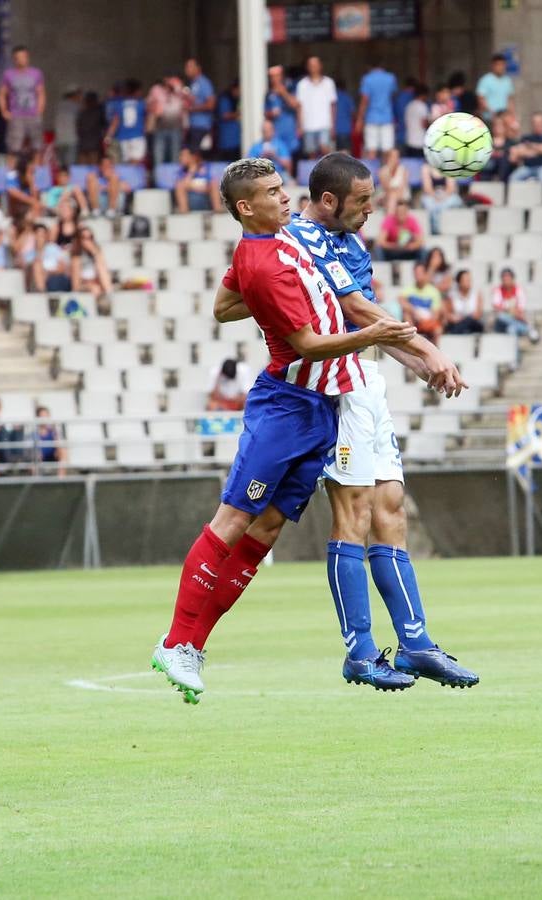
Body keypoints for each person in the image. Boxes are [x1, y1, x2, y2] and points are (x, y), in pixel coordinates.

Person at [150, 156, 425, 703]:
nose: (284, 198)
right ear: (245, 208)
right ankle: (179, 641)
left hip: (319, 409)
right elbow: (307, 346)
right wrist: (381, 332)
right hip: (285, 408)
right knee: (233, 520)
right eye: (272, 194)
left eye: (282, 188)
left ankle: (194, 644)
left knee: (267, 531)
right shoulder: (264, 263)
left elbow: (224, 305)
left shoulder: (282, 240)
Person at [212, 152, 474, 690]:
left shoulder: (350, 242)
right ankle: (359, 649)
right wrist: (428, 350)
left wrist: (421, 363)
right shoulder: (298, 238)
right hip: (333, 386)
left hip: (368, 378)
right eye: (361, 203)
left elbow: (369, 319)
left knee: (391, 510)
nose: (370, 212)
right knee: (353, 511)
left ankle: (416, 643)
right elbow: (354, 311)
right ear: (328, 200)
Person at [0, 46, 45, 158]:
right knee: (14, 147)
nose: (21, 60)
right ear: (14, 59)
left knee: (37, 146)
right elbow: (2, 94)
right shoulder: (8, 74)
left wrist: (39, 110)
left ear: (27, 57)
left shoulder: (36, 73)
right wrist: (4, 111)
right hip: (16, 115)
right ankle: (12, 173)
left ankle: (37, 172)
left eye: (24, 57)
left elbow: (41, 93)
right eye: (18, 57)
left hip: (33, 114)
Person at [296, 55, 338, 158]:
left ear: (320, 66)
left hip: (325, 124)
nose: (313, 67)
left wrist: (333, 126)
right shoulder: (302, 84)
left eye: (315, 65)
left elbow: (332, 105)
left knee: (326, 151)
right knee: (311, 153)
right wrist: (300, 126)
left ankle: (327, 173)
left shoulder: (329, 83)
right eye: (311, 65)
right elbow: (299, 106)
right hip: (308, 125)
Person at [356, 61, 399, 158]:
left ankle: (372, 172)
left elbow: (364, 100)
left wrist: (359, 119)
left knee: (371, 149)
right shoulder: (391, 78)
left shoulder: (367, 79)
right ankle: (385, 172)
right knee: (387, 149)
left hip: (371, 118)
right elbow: (393, 96)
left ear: (369, 67)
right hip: (387, 117)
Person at [146, 75, 187, 172]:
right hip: (160, 129)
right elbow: (148, 106)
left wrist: (177, 90)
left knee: (175, 156)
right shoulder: (156, 90)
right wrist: (154, 107)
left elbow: (188, 103)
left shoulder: (179, 91)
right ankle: (159, 182)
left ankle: (173, 181)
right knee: (159, 156)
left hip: (176, 129)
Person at [490, 266, 540, 342]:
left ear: (512, 279)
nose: (506, 280)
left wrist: (509, 310)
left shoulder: (519, 290)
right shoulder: (498, 290)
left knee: (511, 330)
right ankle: (528, 329)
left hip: (515, 320)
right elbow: (497, 308)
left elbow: (520, 310)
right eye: (504, 278)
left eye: (508, 278)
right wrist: (510, 310)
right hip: (501, 324)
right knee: (501, 316)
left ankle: (514, 353)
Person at [402, 261, 446, 342]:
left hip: (428, 320)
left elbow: (435, 314)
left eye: (419, 273)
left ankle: (434, 352)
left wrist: (424, 320)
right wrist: (414, 311)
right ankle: (412, 341)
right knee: (406, 313)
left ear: (425, 273)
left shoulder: (433, 291)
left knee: (437, 329)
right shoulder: (409, 289)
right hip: (415, 320)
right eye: (416, 273)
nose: (417, 275)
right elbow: (401, 300)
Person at [106, 79, 148, 164]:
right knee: (136, 163)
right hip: (137, 136)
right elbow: (146, 120)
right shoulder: (142, 104)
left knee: (127, 163)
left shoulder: (119, 104)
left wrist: (108, 136)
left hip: (123, 138)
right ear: (137, 91)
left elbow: (115, 122)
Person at [174, 146, 223, 212]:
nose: (180, 158)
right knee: (179, 185)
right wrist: (191, 172)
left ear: (192, 157)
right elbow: (181, 186)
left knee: (214, 184)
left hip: (207, 200)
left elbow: (213, 185)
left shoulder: (206, 167)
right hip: (190, 201)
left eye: (184, 155)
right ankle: (184, 215)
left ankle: (218, 212)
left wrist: (191, 187)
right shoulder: (181, 170)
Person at [183, 58, 217, 153]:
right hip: (193, 125)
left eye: (190, 66)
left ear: (198, 68)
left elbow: (211, 104)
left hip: (201, 126)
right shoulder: (193, 83)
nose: (186, 69)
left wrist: (191, 109)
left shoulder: (204, 82)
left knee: (195, 154)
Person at [420, 160, 462, 234]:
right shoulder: (426, 167)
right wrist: (435, 197)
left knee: (449, 203)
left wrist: (443, 197)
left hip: (447, 195)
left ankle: (444, 229)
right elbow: (427, 188)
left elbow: (451, 188)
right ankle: (435, 230)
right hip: (432, 195)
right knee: (430, 204)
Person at [70, 227, 112, 298]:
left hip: (98, 281)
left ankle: (110, 296)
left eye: (90, 238)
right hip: (84, 285)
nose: (88, 241)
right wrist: (89, 285)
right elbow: (76, 285)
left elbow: (103, 270)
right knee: (95, 288)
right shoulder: (76, 257)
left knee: (103, 272)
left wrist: (94, 252)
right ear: (79, 239)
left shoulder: (97, 252)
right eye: (84, 238)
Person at [29, 223, 71, 292]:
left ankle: (42, 293)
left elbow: (62, 268)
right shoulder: (29, 253)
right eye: (38, 235)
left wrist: (48, 273)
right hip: (37, 282)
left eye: (43, 234)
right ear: (34, 236)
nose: (41, 237)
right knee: (37, 266)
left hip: (56, 279)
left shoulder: (53, 248)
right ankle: (42, 293)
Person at [445, 268, 485, 334]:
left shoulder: (477, 294)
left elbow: (478, 314)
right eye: (465, 280)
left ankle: (455, 332)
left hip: (473, 323)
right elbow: (448, 314)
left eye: (469, 280)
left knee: (469, 321)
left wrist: (463, 319)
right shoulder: (452, 296)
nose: (468, 282)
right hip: (457, 323)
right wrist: (453, 318)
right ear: (459, 282)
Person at [476, 53, 516, 119]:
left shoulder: (507, 80)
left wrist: (512, 115)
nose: (501, 67)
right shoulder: (485, 80)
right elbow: (481, 99)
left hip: (504, 118)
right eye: (498, 65)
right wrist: (492, 112)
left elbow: (510, 100)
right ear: (493, 65)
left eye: (503, 64)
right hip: (489, 118)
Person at [75, 91, 107, 164]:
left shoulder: (82, 113)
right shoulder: (99, 112)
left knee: (82, 170)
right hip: (94, 146)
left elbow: (78, 128)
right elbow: (104, 125)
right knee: (93, 168)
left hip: (82, 145)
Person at [376, 147, 410, 217]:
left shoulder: (404, 170)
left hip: (401, 195)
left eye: (397, 156)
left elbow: (402, 188)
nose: (395, 159)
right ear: (388, 158)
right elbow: (386, 187)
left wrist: (394, 194)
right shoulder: (383, 171)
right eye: (393, 156)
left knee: (393, 197)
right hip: (385, 195)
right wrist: (389, 169)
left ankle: (389, 218)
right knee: (392, 196)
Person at [402, 83, 430, 158]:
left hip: (409, 141)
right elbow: (424, 124)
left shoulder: (409, 105)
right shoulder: (422, 106)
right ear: (424, 95)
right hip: (419, 142)